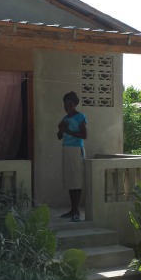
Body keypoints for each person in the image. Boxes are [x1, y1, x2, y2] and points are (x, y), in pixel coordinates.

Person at [57, 91, 88, 222]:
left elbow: (84, 135)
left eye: (70, 105)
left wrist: (68, 130)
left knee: (77, 180)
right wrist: (60, 129)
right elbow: (59, 137)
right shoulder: (64, 119)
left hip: (76, 150)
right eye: (65, 105)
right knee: (70, 180)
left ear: (75, 104)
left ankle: (77, 212)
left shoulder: (80, 117)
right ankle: (72, 209)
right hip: (66, 150)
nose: (67, 108)